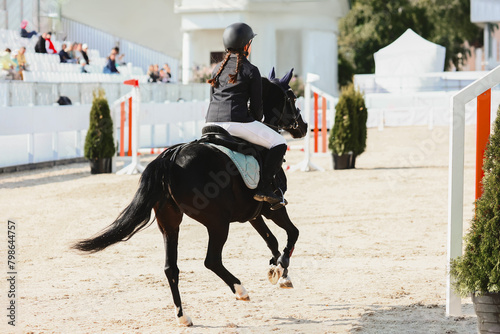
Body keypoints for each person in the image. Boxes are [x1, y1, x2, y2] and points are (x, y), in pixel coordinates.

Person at [205, 22, 288, 204]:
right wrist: (256, 119)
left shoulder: (216, 69)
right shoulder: (251, 70)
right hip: (237, 123)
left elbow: (212, 99)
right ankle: (265, 187)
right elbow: (257, 110)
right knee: (279, 142)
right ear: (246, 45)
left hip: (210, 123)